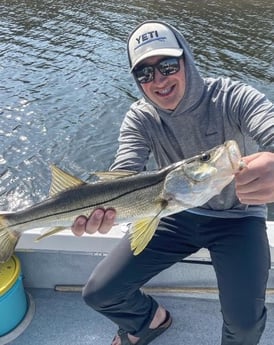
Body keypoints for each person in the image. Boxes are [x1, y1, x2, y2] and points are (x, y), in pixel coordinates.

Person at [72, 20, 274, 345]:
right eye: (145, 73)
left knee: (245, 326)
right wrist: (101, 209)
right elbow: (124, 173)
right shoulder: (141, 117)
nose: (159, 80)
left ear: (186, 60)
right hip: (171, 212)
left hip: (238, 219)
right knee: (100, 292)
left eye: (167, 65)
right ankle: (149, 319)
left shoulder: (233, 97)